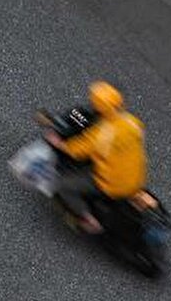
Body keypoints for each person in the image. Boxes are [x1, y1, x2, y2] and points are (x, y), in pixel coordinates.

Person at [46, 81, 147, 234]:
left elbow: (77, 150)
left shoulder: (103, 133)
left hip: (111, 184)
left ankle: (88, 221)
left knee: (62, 187)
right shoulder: (131, 121)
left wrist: (58, 142)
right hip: (137, 179)